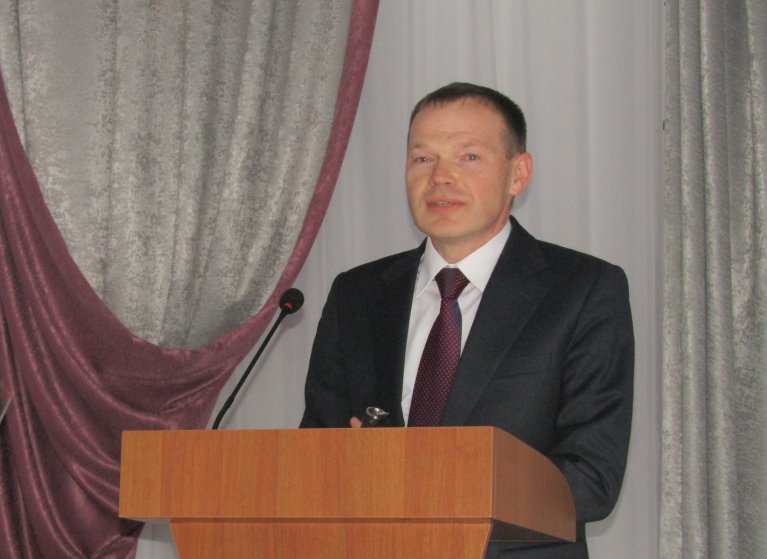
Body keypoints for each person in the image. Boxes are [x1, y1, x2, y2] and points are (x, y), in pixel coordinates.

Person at [300, 82, 634, 558]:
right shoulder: (357, 293)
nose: (441, 177)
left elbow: (591, 479)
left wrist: (421, 482)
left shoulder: (583, 290)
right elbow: (314, 455)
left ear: (518, 174)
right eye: (422, 158)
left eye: (469, 157)